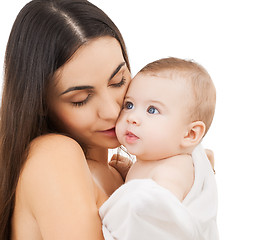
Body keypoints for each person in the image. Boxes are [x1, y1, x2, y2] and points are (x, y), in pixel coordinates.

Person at [0, 1, 214, 239]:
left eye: (118, 82)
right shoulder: (54, 155)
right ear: (39, 104)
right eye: (81, 99)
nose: (113, 112)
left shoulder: (122, 174)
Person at [99, 57, 218, 240]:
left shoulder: (171, 173)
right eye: (129, 105)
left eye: (152, 110)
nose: (132, 117)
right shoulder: (162, 157)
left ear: (190, 135)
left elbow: (158, 218)